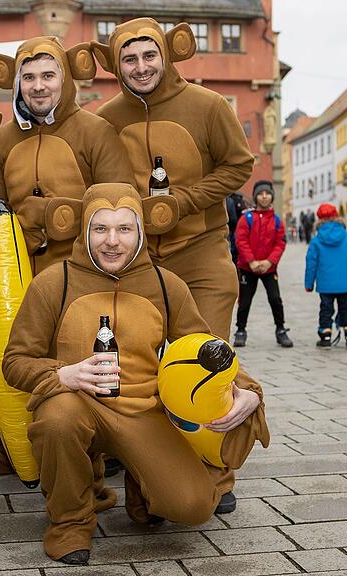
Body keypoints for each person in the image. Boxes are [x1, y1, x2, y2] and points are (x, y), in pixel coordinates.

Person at [2, 183, 268, 565]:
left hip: (143, 411)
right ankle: (70, 523)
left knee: (193, 507)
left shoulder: (165, 284)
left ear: (140, 232)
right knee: (58, 420)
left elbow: (206, 348)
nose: (112, 241)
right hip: (77, 404)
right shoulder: (53, 282)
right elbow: (14, 361)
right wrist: (64, 375)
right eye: (100, 228)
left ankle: (142, 486)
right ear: (84, 231)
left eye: (124, 229)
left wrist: (250, 390)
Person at [91, 18, 255, 501]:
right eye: (129, 58)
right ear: (116, 65)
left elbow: (239, 165)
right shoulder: (106, 117)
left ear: (165, 54)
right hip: (135, 264)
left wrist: (184, 201)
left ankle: (216, 472)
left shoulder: (206, 105)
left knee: (204, 365)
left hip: (200, 252)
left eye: (148, 55)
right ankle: (136, 450)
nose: (140, 67)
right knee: (134, 364)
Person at [0, 37, 136, 479]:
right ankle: (18, 445)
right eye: (29, 77)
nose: (38, 86)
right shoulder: (3, 138)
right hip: (24, 270)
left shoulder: (94, 130)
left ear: (64, 78)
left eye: (48, 76)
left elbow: (119, 202)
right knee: (26, 358)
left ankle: (95, 452)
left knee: (81, 358)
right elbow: (2, 207)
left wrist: (53, 216)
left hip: (83, 269)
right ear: (18, 84)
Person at [233, 181, 293, 348]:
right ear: (256, 197)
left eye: (267, 193)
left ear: (272, 196)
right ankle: (240, 330)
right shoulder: (247, 218)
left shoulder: (276, 220)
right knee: (244, 301)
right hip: (248, 268)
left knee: (275, 299)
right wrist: (251, 261)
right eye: (261, 193)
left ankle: (280, 329)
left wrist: (269, 262)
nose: (264, 196)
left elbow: (280, 243)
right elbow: (241, 240)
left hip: (268, 268)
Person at [305, 203, 347, 347]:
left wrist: (309, 284)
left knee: (326, 310)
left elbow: (311, 263)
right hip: (346, 283)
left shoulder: (316, 241)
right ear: (337, 217)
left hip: (325, 284)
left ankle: (325, 337)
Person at [226, 191, 248, 263]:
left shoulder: (228, 200)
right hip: (236, 228)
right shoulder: (238, 199)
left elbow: (232, 218)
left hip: (230, 229)